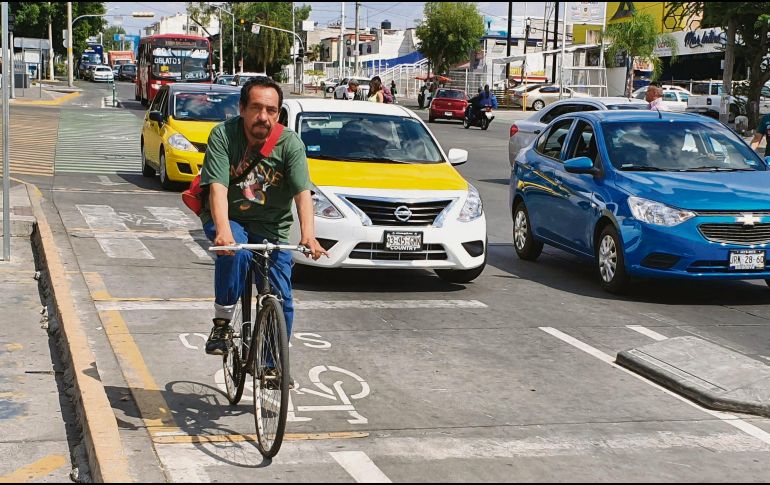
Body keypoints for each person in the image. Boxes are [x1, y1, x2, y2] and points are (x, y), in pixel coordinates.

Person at [198, 76, 327, 356]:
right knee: (237, 253)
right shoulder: (223, 136)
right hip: (229, 218)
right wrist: (223, 231)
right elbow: (217, 188)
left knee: (282, 299)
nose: (263, 117)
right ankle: (222, 323)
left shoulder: (290, 144)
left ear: (278, 114)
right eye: (256, 108)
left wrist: (308, 235)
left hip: (273, 226)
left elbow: (302, 192)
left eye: (271, 110)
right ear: (242, 108)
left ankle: (272, 365)